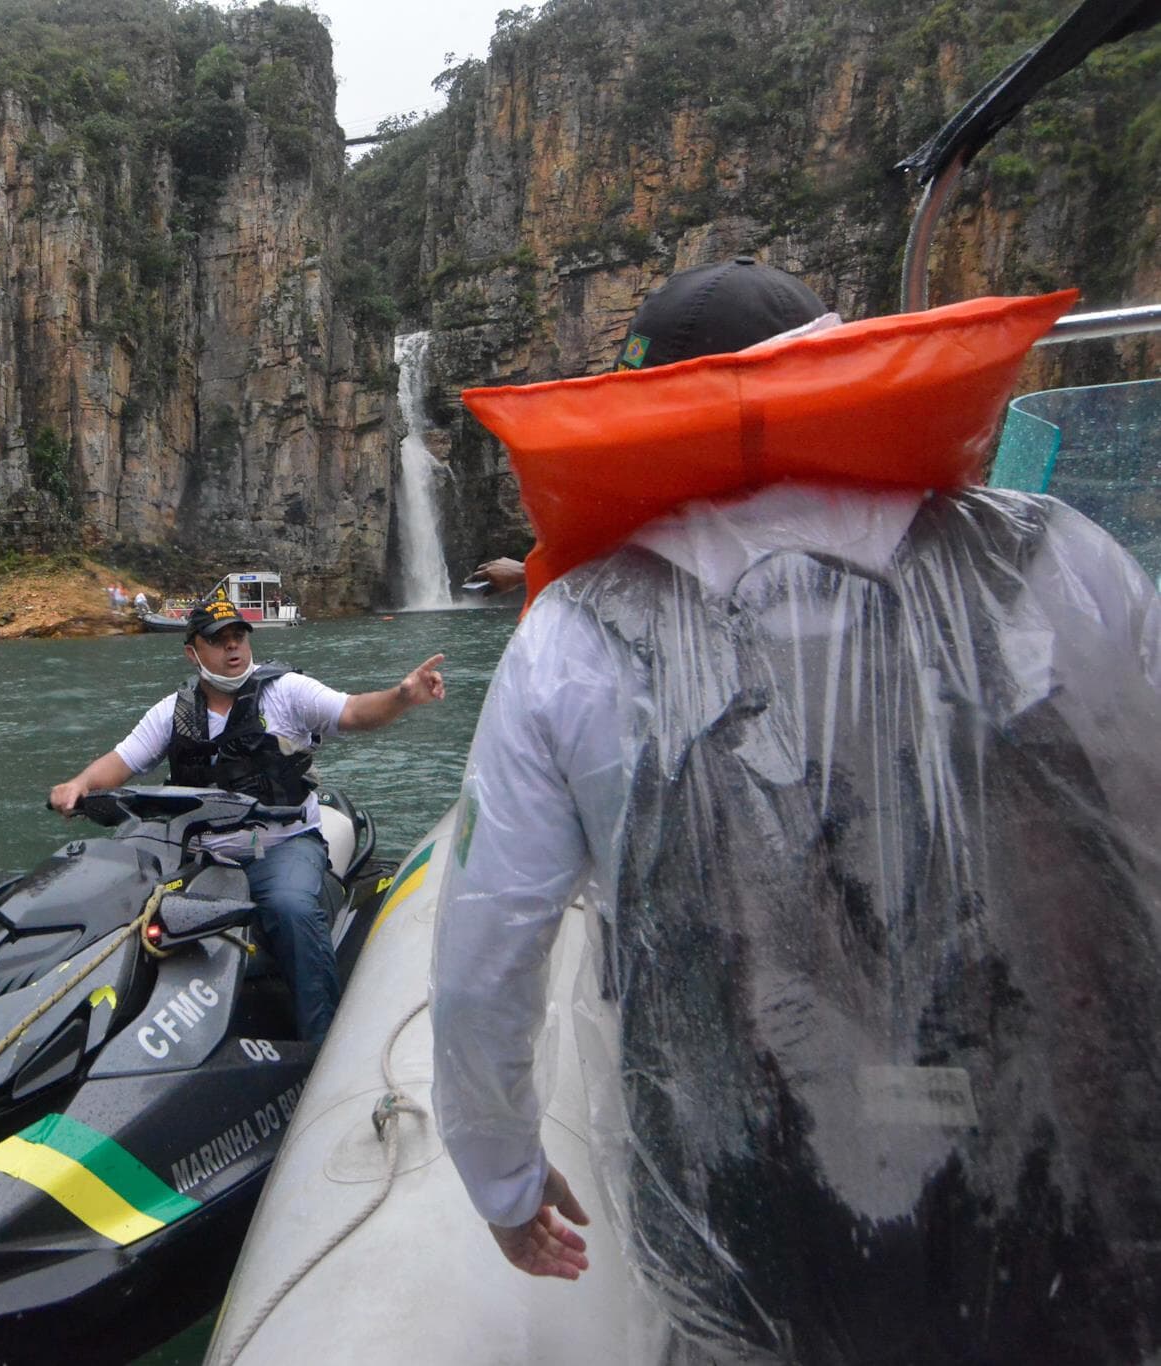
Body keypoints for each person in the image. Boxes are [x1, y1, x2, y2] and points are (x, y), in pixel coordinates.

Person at [430, 259, 1161, 1358]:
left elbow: (486, 951)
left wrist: (501, 1172)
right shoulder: (1055, 551)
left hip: (756, 1187)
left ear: (639, 412)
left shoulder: (573, 637)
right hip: (1065, 1144)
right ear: (835, 361)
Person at [51, 597, 447, 1042]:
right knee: (137, 911)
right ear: (193, 652)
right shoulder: (174, 712)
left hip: (283, 845)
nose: (233, 647)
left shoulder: (287, 691)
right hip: (206, 855)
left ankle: (320, 1041)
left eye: (238, 636)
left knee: (292, 910)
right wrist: (80, 785)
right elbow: (124, 760)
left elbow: (352, 712)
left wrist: (403, 696)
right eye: (218, 640)